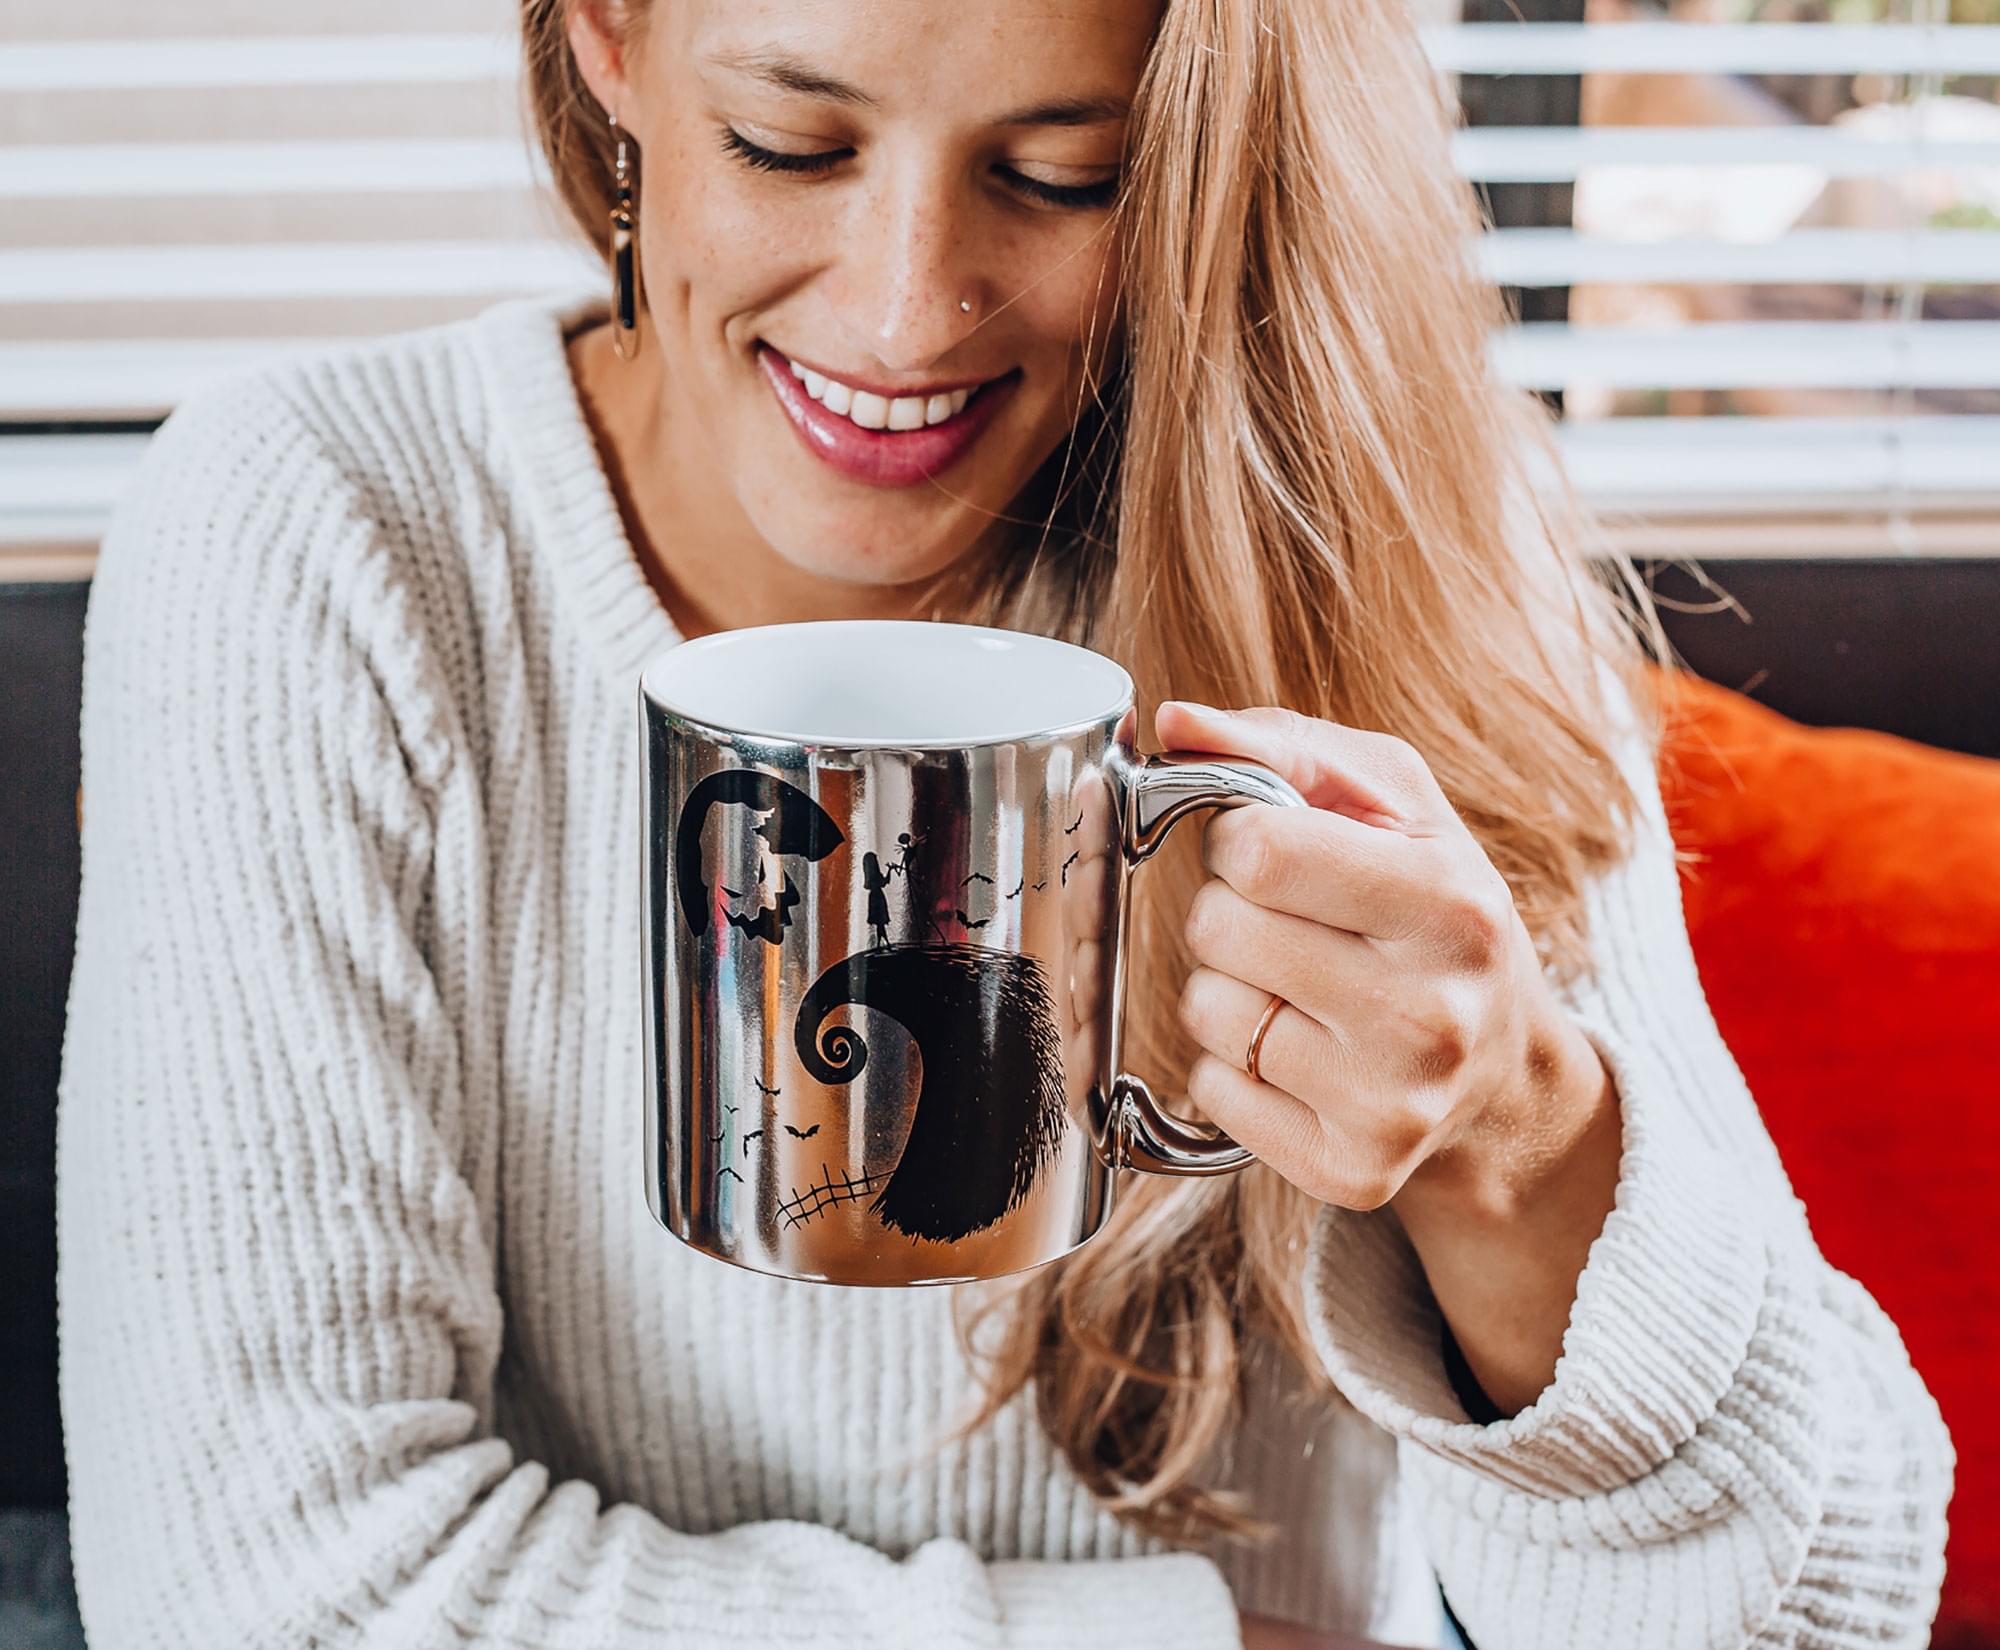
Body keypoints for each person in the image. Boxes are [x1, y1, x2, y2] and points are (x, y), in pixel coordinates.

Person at [55, 0, 1952, 1644]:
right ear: (608, 40)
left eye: (1061, 173)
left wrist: (1517, 1137)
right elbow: (273, 1592)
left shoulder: (1394, 540)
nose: (902, 312)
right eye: (789, 142)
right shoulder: (317, 529)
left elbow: (1829, 1596)